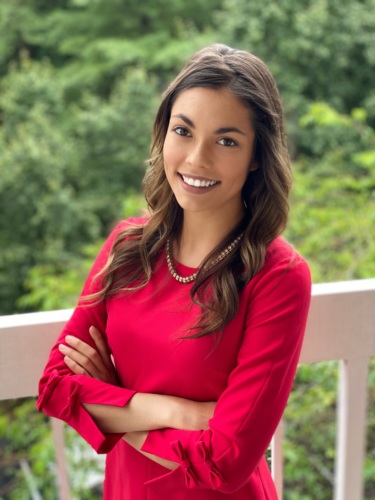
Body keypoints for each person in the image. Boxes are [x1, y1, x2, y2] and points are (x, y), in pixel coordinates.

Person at [37, 44, 311, 499]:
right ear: (164, 134)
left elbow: (224, 461)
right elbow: (56, 387)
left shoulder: (278, 276)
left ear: (257, 156)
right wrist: (179, 413)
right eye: (183, 131)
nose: (196, 159)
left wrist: (113, 404)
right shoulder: (127, 247)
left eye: (227, 141)